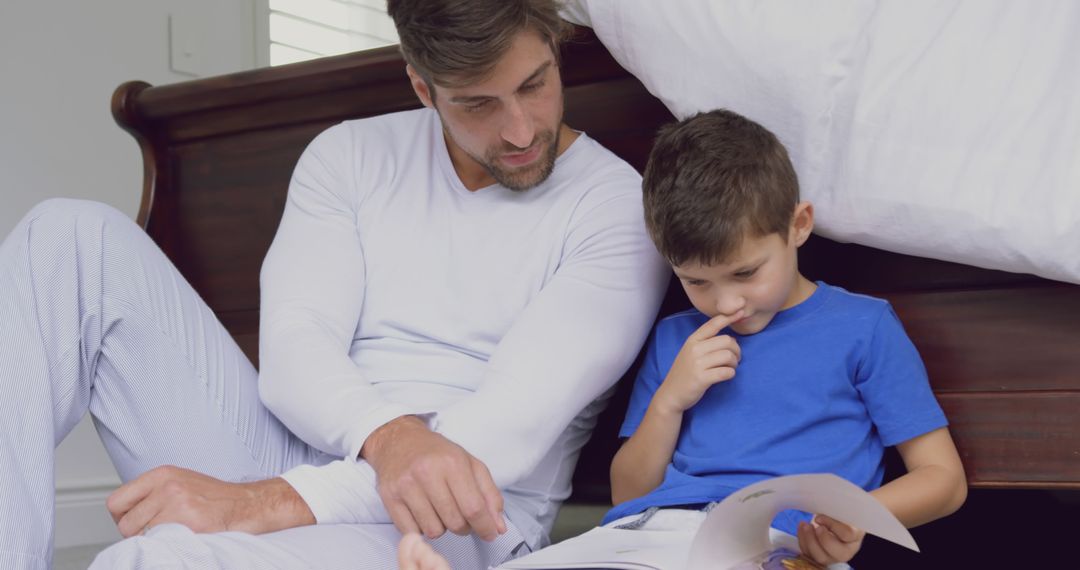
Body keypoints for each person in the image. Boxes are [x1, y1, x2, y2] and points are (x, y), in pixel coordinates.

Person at [0, 0, 669, 568]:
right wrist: (385, 439)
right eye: (478, 104)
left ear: (555, 50)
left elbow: (500, 438)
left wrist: (261, 504)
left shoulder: (615, 209)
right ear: (422, 89)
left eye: (535, 84)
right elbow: (294, 350)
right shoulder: (349, 156)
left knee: (156, 559)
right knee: (66, 237)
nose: (521, 129)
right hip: (300, 450)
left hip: (455, 520)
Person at [602, 109, 968, 567]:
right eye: (696, 282)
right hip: (662, 534)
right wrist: (668, 402)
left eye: (745, 272)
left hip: (784, 544)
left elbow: (944, 479)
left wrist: (857, 518)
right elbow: (628, 493)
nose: (726, 303)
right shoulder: (677, 338)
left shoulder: (862, 327)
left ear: (798, 225)